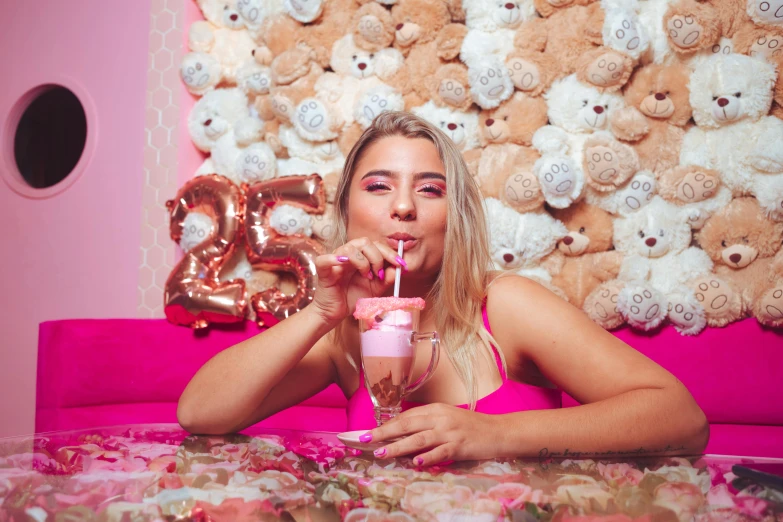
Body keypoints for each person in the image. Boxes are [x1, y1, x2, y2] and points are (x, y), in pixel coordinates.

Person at [177, 111, 709, 466]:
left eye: (430, 190)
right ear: (347, 213)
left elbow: (681, 419)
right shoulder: (345, 331)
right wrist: (321, 313)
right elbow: (200, 414)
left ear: (455, 217)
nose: (403, 207)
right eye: (378, 186)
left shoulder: (503, 307)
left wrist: (496, 437)